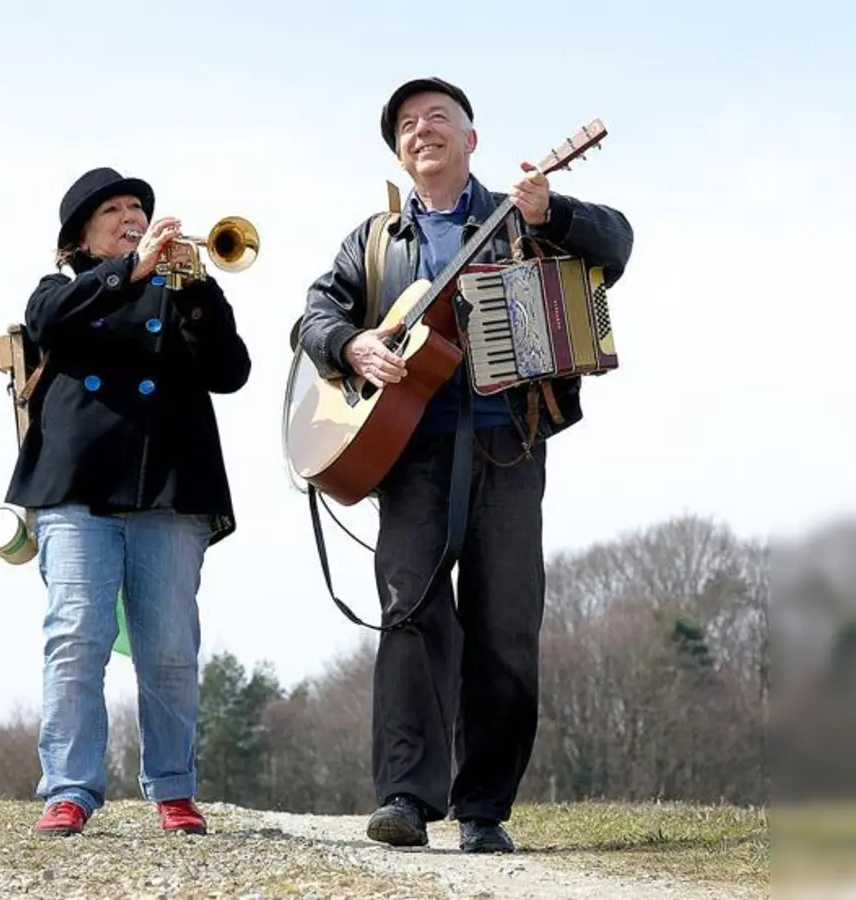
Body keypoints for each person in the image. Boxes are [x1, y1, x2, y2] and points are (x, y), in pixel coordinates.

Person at [298, 78, 634, 853]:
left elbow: (616, 247)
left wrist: (557, 213)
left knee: (506, 625)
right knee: (409, 615)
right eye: (408, 125)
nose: (424, 131)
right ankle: (406, 801)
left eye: (439, 119)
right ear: (399, 152)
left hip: (508, 443)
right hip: (410, 454)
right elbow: (315, 313)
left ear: (472, 140)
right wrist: (351, 344)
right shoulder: (373, 242)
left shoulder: (520, 215)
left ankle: (484, 811)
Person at [4, 167, 251, 837]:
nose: (131, 217)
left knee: (170, 644)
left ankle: (173, 787)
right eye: (112, 210)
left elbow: (230, 372)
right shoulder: (62, 288)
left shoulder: (181, 290)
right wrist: (129, 273)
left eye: (138, 208)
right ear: (79, 235)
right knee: (76, 636)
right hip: (76, 482)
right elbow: (47, 321)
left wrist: (199, 289)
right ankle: (69, 789)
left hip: (170, 484)